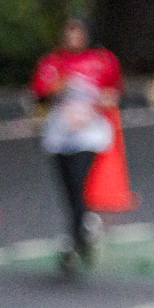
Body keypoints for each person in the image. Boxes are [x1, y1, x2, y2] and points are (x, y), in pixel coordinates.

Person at [31, 17, 122, 273]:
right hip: (59, 134)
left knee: (78, 181)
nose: (72, 37)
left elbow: (114, 93)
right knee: (69, 190)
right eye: (69, 32)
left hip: (89, 133)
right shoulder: (52, 62)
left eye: (77, 31)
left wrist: (97, 99)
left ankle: (73, 243)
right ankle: (85, 228)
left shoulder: (103, 60)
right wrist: (59, 86)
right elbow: (39, 94)